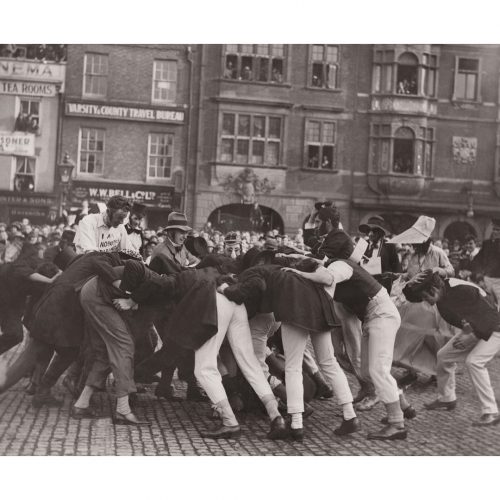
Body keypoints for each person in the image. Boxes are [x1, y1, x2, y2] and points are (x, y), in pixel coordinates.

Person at [114, 260, 287, 440]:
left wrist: (131, 300)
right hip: (236, 303)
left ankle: (229, 422)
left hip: (214, 304)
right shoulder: (214, 273)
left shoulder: (185, 275)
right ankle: (276, 417)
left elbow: (160, 283)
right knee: (249, 362)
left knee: (204, 368)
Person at [286, 255, 409, 440]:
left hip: (380, 314)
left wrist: (300, 274)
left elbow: (327, 278)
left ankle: (397, 423)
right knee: (368, 372)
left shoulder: (339, 265)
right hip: (372, 316)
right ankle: (403, 406)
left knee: (378, 371)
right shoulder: (336, 265)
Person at [404, 271, 500, 426]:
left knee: (474, 361)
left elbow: (491, 315)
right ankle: (447, 398)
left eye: (426, 297)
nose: (426, 302)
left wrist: (471, 334)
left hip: (495, 328)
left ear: (433, 290)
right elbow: (411, 296)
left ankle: (491, 411)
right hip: (476, 328)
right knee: (444, 356)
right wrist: (408, 283)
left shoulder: (461, 290)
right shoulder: (442, 293)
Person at [388, 216, 455, 387]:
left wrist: (437, 270)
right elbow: (410, 275)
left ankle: (438, 372)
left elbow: (451, 270)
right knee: (405, 337)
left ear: (427, 240)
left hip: (432, 303)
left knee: (433, 340)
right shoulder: (412, 255)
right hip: (414, 303)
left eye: (419, 242)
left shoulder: (438, 252)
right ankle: (411, 371)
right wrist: (399, 276)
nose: (416, 245)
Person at [0, 243, 60, 356]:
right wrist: (49, 281)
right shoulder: (20, 264)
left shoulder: (36, 263)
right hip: (6, 299)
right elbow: (25, 273)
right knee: (14, 335)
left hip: (12, 305)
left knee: (15, 335)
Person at [471, 219, 500, 309]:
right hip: (487, 280)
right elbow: (477, 260)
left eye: (498, 230)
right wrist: (478, 275)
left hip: (499, 281)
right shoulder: (487, 244)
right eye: (494, 229)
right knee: (487, 305)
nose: (495, 232)